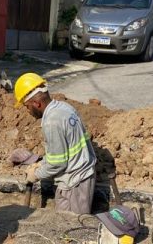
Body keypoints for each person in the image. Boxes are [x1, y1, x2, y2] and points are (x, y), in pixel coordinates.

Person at [14, 72, 97, 214]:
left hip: (74, 183)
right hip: (80, 176)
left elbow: (58, 164)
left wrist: (36, 174)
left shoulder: (52, 122)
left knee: (72, 230)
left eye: (27, 106)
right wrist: (42, 163)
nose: (27, 111)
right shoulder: (63, 107)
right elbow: (64, 149)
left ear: (37, 103)